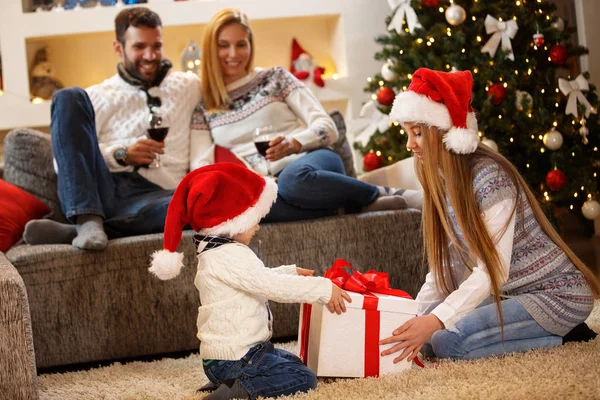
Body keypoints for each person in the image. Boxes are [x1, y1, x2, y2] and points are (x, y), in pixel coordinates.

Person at [379, 68, 599, 362]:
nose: (409, 144)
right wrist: (414, 316)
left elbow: (492, 269)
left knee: (447, 344)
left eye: (417, 133)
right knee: (427, 340)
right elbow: (449, 262)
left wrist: (434, 322)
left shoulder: (489, 178)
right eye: (407, 133)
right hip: (511, 295)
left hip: (556, 294)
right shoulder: (441, 178)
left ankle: (567, 335)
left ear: (446, 132)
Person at [189, 8, 422, 223]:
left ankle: (380, 194)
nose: (233, 54)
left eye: (241, 44)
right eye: (223, 45)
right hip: (266, 183)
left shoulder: (275, 78)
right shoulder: (204, 108)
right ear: (211, 49)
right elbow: (200, 167)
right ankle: (345, 205)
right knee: (251, 209)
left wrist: (294, 143)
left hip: (311, 162)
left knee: (294, 180)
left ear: (250, 46)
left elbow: (327, 127)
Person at [149, 163, 351, 400]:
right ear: (231, 223)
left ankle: (227, 380)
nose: (257, 226)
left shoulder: (219, 252)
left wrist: (289, 272)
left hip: (237, 354)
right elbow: (269, 286)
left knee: (291, 360)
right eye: (252, 219)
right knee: (302, 376)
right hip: (236, 357)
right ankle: (237, 389)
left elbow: (253, 279)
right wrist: (323, 289)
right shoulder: (230, 254)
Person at [22, 7, 201, 251]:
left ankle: (88, 230)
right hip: (109, 192)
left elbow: (228, 92)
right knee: (68, 96)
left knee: (199, 206)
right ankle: (87, 219)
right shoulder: (99, 96)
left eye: (156, 46)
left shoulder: (188, 86)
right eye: (139, 47)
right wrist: (121, 154)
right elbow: (62, 162)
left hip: (162, 197)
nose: (150, 55)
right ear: (119, 48)